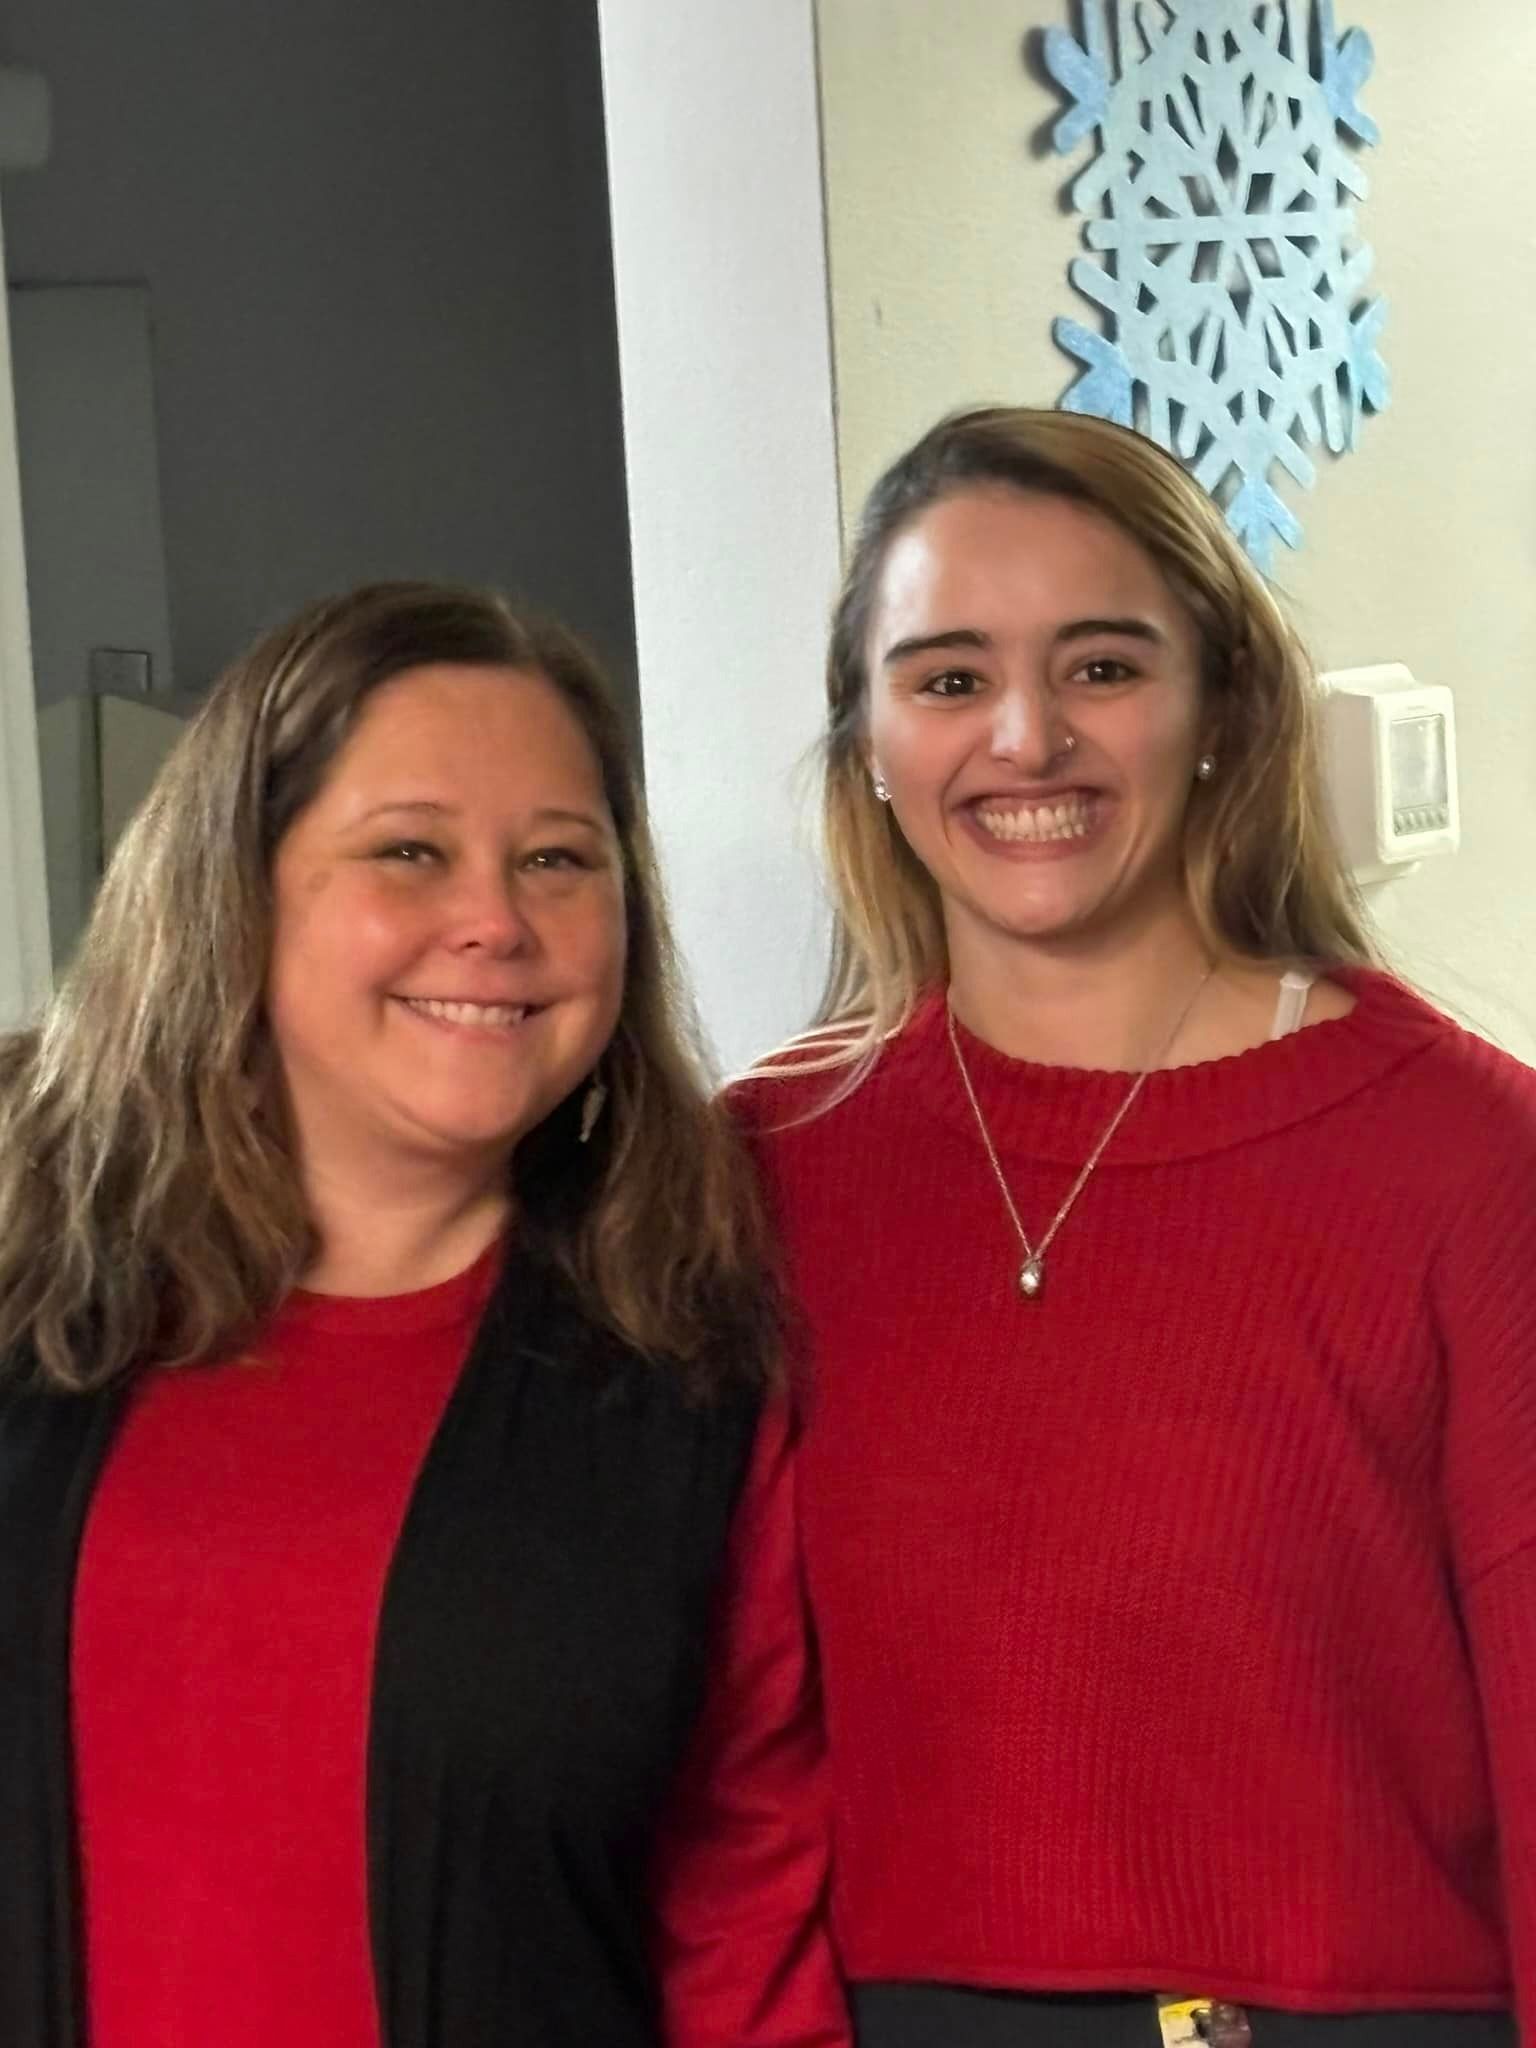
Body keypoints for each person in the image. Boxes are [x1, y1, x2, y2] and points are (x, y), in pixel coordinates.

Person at [736, 409, 1536, 2047]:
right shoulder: (752, 1174)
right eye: (947, 679)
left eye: (1101, 667)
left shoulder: (1466, 1159)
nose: (1025, 738)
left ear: (1224, 705)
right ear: (867, 741)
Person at [0, 582, 848, 2048]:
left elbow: (743, 1929)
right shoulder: (24, 1273)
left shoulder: (689, 1378)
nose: (496, 922)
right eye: (411, 850)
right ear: (235, 887)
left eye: (558, 860)